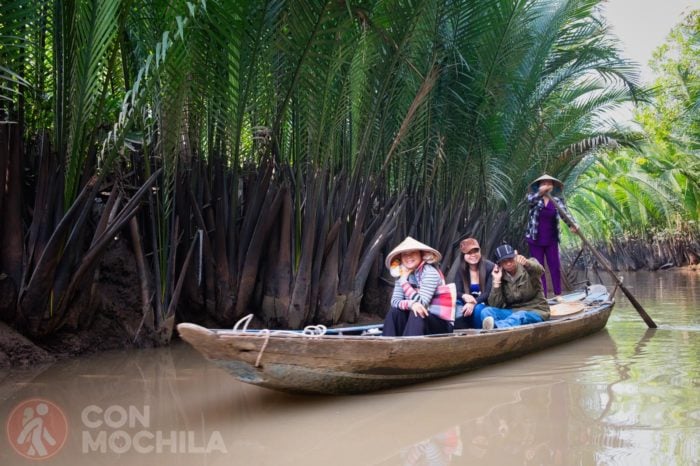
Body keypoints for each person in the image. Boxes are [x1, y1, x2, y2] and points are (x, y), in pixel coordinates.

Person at [382, 236, 452, 336]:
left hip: (439, 323)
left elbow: (422, 304)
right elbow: (394, 301)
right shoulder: (401, 274)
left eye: (413, 252)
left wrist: (404, 282)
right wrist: (411, 304)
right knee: (395, 312)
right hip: (415, 322)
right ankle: (387, 347)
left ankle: (410, 350)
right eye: (405, 254)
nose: (409, 257)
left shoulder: (430, 272)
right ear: (401, 258)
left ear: (421, 254)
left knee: (418, 312)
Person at [525, 174, 578, 300]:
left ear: (553, 186)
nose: (547, 186)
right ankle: (542, 296)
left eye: (549, 183)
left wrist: (573, 224)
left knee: (555, 266)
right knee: (538, 268)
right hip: (535, 239)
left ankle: (558, 294)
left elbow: (565, 214)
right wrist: (540, 193)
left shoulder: (557, 201)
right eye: (544, 183)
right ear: (539, 186)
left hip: (551, 239)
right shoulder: (534, 198)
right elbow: (529, 201)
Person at [477, 244, 550, 330]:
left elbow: (540, 271)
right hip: (513, 311)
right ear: (499, 264)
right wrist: (497, 282)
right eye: (504, 261)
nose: (508, 263)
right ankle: (498, 327)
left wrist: (527, 263)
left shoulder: (528, 265)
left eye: (511, 259)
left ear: (515, 255)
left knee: (519, 315)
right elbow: (496, 305)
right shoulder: (500, 276)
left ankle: (496, 327)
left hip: (536, 310)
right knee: (487, 311)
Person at [454, 237, 495, 329]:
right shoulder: (461, 270)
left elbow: (488, 293)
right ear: (463, 255)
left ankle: (479, 335)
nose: (473, 255)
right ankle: (460, 333)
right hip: (466, 304)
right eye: (469, 252)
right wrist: (464, 296)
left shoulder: (489, 267)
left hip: (484, 303)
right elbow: (457, 291)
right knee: (456, 305)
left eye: (475, 251)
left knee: (478, 309)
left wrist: (473, 302)